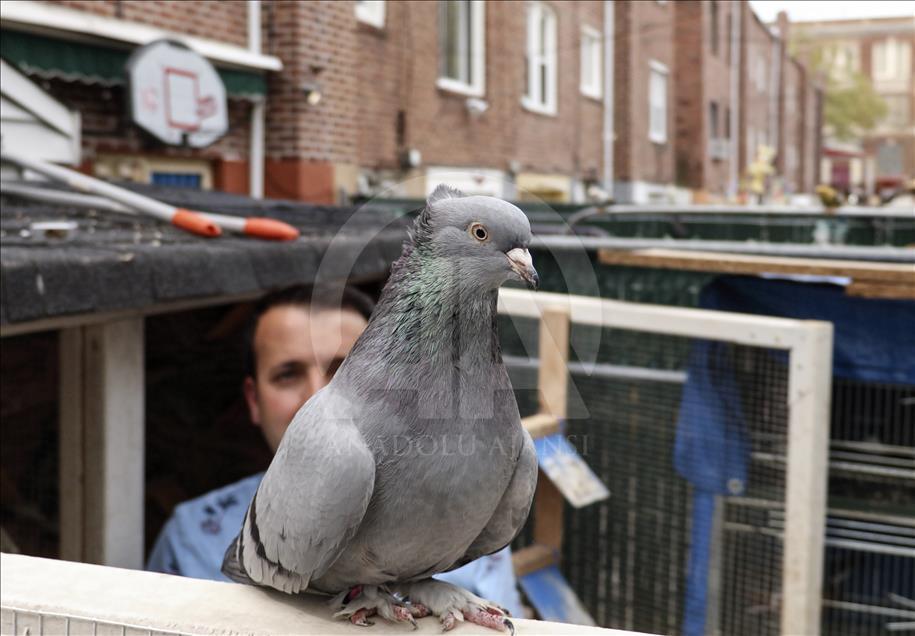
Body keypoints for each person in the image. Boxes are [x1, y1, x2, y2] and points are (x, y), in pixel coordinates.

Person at [147, 284, 524, 615]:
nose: (318, 395)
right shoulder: (191, 536)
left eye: (345, 370)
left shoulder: (477, 508)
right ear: (253, 400)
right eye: (288, 374)